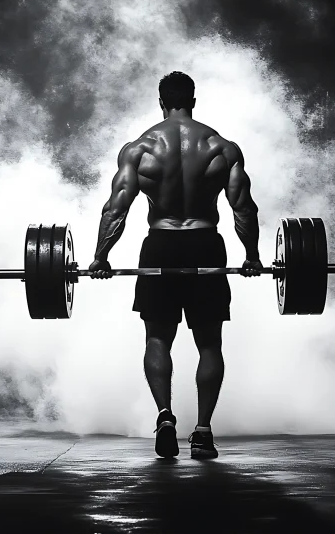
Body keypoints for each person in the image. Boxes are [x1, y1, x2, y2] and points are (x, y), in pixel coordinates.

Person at [88, 72, 263, 459]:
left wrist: (101, 256)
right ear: (193, 100)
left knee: (157, 339)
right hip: (206, 245)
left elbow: (116, 207)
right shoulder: (222, 148)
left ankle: (165, 417)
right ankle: (202, 432)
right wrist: (251, 256)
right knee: (209, 343)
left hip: (161, 246)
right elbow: (243, 209)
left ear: (161, 101)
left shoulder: (140, 149)